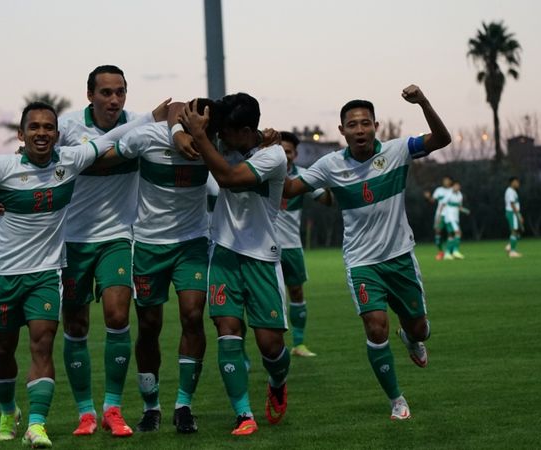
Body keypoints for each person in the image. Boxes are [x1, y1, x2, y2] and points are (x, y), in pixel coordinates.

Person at [0, 99, 165, 447]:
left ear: (57, 135)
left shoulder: (70, 162)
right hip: (3, 275)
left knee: (42, 346)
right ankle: (7, 412)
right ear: (21, 133)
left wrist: (152, 117)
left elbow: (112, 139)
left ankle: (36, 425)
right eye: (35, 127)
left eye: (48, 128)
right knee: (3, 351)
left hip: (46, 274)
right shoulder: (3, 168)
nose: (42, 133)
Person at [283, 84, 451, 420]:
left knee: (420, 329)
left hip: (400, 257)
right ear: (341, 130)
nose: (360, 130)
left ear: (376, 125)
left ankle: (412, 338)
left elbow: (441, 139)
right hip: (361, 263)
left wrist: (424, 103)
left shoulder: (398, 150)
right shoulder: (329, 165)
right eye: (353, 124)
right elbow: (288, 187)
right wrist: (264, 156)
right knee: (376, 328)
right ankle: (397, 400)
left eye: (366, 123)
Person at [176, 92, 291, 436]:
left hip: (262, 258)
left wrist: (198, 136)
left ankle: (277, 379)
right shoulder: (223, 140)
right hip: (223, 252)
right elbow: (177, 112)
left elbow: (227, 177)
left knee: (270, 346)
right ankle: (244, 415)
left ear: (246, 130)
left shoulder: (273, 155)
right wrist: (184, 131)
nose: (220, 136)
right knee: (228, 333)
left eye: (227, 131)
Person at [116, 98, 221, 434]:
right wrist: (175, 129)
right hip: (147, 245)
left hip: (192, 243)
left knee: (193, 315)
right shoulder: (148, 138)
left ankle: (184, 405)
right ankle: (151, 406)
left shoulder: (211, 147)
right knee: (148, 327)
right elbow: (171, 105)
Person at [54, 65, 143, 437]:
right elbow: (37, 157)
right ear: (90, 95)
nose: (114, 99)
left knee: (118, 316)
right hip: (72, 240)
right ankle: (85, 413)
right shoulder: (68, 126)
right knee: (75, 326)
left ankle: (112, 408)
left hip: (119, 237)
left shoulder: (140, 124)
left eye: (120, 91)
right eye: (105, 92)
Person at [275, 132, 332, 357]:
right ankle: (269, 348)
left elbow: (326, 201)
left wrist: (330, 182)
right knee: (265, 297)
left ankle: (298, 344)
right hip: (262, 246)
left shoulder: (304, 176)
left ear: (295, 154)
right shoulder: (262, 172)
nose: (284, 155)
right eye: (279, 150)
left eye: (288, 151)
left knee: (296, 292)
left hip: (291, 245)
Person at [424, 176, 453, 260]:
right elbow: (432, 200)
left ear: (450, 181)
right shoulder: (439, 190)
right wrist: (428, 197)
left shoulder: (452, 190)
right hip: (440, 215)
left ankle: (449, 252)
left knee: (451, 233)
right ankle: (441, 252)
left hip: (450, 215)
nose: (445, 182)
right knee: (438, 232)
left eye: (447, 180)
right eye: (444, 180)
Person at [442, 180, 466, 260]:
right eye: (455, 186)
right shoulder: (449, 194)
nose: (457, 187)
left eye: (458, 186)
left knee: (451, 235)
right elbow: (443, 204)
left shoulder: (460, 195)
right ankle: (455, 251)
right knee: (458, 232)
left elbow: (459, 207)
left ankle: (447, 253)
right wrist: (440, 216)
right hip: (449, 217)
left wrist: (465, 210)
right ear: (453, 186)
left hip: (455, 217)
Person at [505, 177, 523, 258]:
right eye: (516, 182)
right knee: (514, 231)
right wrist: (518, 215)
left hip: (513, 213)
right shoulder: (510, 191)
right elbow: (512, 204)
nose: (518, 184)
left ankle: (509, 246)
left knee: (517, 232)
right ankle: (512, 252)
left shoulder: (512, 191)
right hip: (512, 213)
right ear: (512, 182)